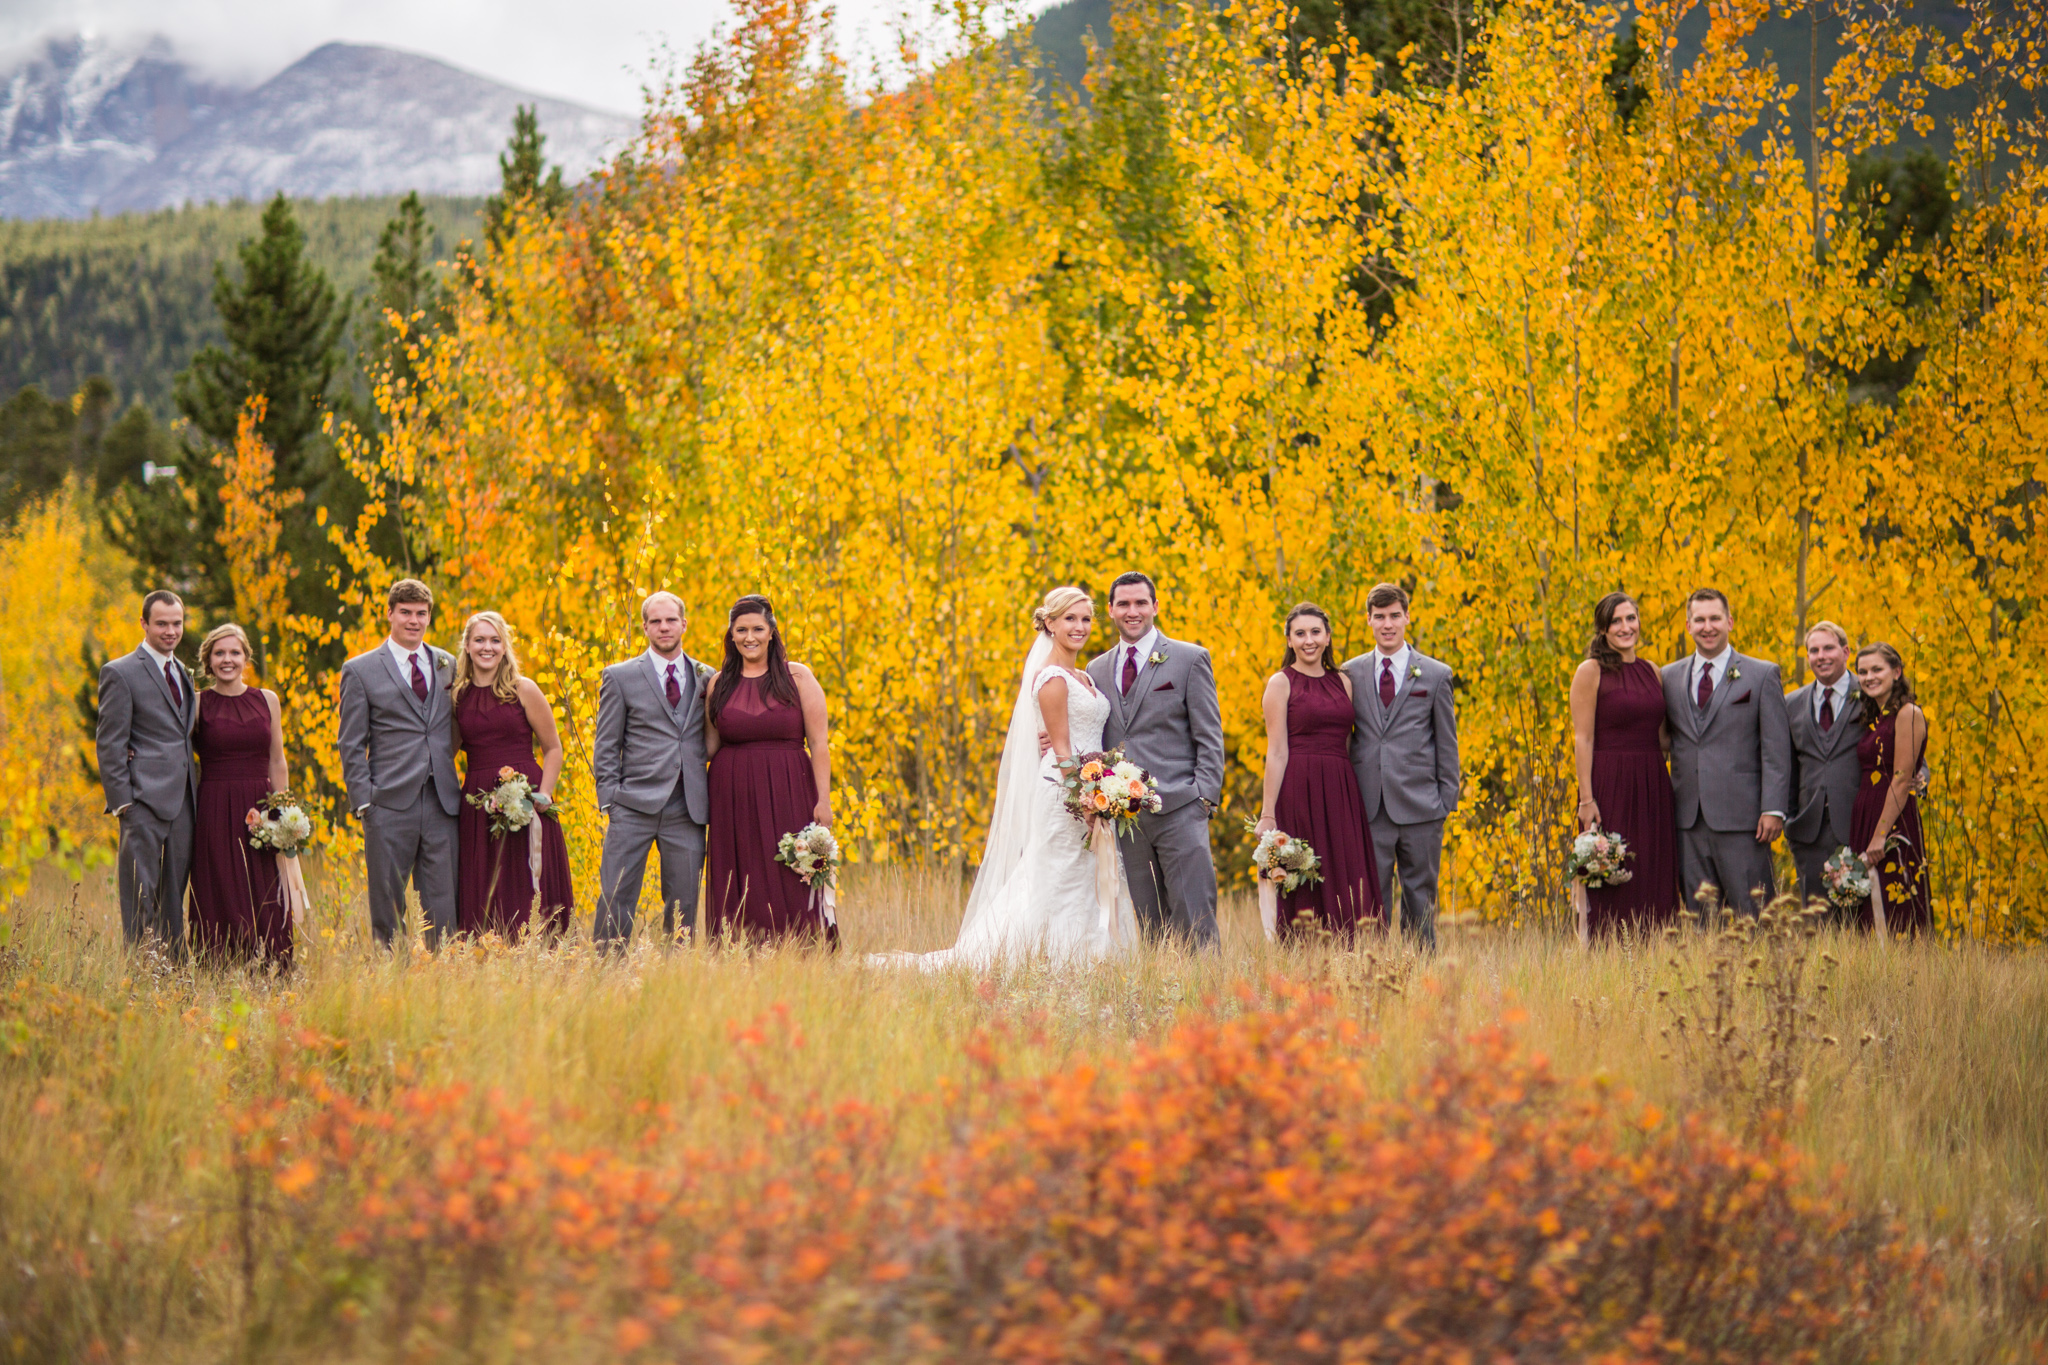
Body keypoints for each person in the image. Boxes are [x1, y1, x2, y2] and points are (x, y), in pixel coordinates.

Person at [886, 586, 1139, 968]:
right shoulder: (1052, 677)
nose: (1080, 626)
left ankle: (1098, 957)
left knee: (1088, 873)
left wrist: (1106, 786)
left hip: (1093, 786)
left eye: (1086, 619)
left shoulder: (1084, 677)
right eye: (1069, 618)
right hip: (1065, 792)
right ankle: (1053, 959)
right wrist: (1084, 801)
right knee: (1058, 874)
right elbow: (1062, 749)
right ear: (1049, 623)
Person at [1083, 572, 1224, 949]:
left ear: (1155, 606)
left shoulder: (1190, 659)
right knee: (1149, 927)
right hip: (1127, 819)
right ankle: (1160, 1000)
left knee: (1196, 918)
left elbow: (1209, 735)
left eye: (1141, 603)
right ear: (1111, 610)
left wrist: (1203, 800)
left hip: (1181, 808)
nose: (1133, 611)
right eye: (1124, 604)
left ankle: (1210, 1000)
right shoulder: (1095, 670)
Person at [703, 595, 836, 945]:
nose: (750, 637)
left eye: (758, 629)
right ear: (731, 635)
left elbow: (819, 745)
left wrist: (824, 800)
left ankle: (804, 952)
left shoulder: (799, 677)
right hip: (731, 797)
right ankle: (741, 956)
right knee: (741, 876)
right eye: (741, 629)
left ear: (772, 632)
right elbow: (708, 746)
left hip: (789, 790)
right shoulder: (719, 683)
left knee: (792, 872)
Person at [337, 579, 462, 948]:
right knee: (387, 906)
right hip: (387, 803)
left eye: (421, 613)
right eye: (405, 612)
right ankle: (390, 979)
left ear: (429, 616)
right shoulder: (359, 670)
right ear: (389, 614)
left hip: (441, 801)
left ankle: (443, 978)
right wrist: (365, 802)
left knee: (443, 904)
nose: (413, 620)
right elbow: (350, 742)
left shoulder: (447, 664)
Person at [1341, 582, 1460, 951]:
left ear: (1407, 617)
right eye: (1380, 617)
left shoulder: (1437, 674)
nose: (1388, 624)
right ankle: (1374, 972)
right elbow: (1345, 740)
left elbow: (1447, 743)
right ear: (1368, 621)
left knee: (1420, 899)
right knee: (1370, 901)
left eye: (1395, 615)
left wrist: (1445, 803)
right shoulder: (1350, 673)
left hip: (1422, 807)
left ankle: (1422, 974)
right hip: (1369, 806)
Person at [1659, 588, 1791, 917]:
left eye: (1715, 618)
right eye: (1699, 619)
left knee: (1754, 916)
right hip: (1687, 820)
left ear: (1729, 621)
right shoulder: (1668, 677)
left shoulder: (1762, 674)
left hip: (1744, 820)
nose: (1708, 626)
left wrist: (1774, 808)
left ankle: (1763, 972)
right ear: (1687, 626)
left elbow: (1776, 748)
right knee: (1700, 919)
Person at [1254, 604, 1381, 940]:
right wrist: (1268, 814)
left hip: (1342, 790)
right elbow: (1277, 751)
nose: (1308, 640)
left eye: (1315, 632)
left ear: (1327, 637)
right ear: (1289, 640)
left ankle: (1353, 955)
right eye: (1300, 633)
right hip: (1299, 787)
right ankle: (1305, 959)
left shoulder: (1343, 681)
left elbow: (1352, 744)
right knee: (1306, 874)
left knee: (1348, 872)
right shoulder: (1280, 683)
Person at [592, 591, 711, 947]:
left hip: (687, 808)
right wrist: (610, 800)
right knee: (616, 898)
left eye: (671, 620)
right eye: (656, 621)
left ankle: (676, 979)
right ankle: (606, 976)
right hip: (632, 806)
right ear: (644, 627)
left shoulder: (708, 677)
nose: (664, 627)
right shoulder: (620, 676)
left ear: (684, 624)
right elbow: (606, 744)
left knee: (684, 903)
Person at [451, 611, 573, 940]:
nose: (487, 647)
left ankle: (542, 960)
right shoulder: (456, 697)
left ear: (505, 647)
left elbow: (553, 748)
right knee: (485, 888)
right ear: (466, 646)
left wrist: (544, 796)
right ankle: (485, 964)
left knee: (530, 888)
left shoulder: (523, 690)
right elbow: (444, 754)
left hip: (529, 801)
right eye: (479, 640)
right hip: (478, 810)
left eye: (495, 640)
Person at [1568, 592, 1681, 937]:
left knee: (1653, 872)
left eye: (1630, 618)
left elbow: (1664, 738)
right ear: (1603, 629)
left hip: (1653, 786)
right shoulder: (1591, 671)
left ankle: (1657, 959)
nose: (1625, 626)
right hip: (1610, 784)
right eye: (1616, 621)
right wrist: (1587, 800)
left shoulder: (1653, 672)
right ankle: (1607, 964)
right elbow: (1582, 738)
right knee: (1611, 875)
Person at [95, 589, 198, 955]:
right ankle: (141, 977)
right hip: (142, 803)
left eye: (177, 623)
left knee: (175, 895)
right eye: (161, 624)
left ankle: (173, 975)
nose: (170, 631)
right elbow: (109, 744)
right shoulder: (120, 672)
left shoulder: (183, 673)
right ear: (143, 623)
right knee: (141, 895)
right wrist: (123, 804)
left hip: (184, 803)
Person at [187, 624, 293, 965]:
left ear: (246, 658)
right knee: (220, 886)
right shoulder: (197, 703)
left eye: (234, 652)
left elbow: (277, 759)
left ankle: (271, 967)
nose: (227, 659)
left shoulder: (268, 700)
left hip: (260, 810)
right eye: (219, 653)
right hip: (214, 808)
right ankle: (219, 967)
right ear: (208, 660)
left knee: (266, 889)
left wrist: (284, 815)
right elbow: (171, 750)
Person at [1848, 642, 1932, 935]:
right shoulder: (1876, 716)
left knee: (1896, 908)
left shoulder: (1908, 712)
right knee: (1869, 909)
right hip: (1867, 816)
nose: (1869, 676)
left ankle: (1905, 979)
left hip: (1892, 821)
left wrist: (1880, 836)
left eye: (1876, 669)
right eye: (1862, 671)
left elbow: (1900, 778)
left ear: (1896, 672)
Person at [1785, 621, 1863, 910]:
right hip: (1808, 831)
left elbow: (1902, 744)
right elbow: (1784, 765)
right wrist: (1788, 818)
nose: (1821, 656)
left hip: (1859, 827)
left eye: (1829, 648)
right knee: (1816, 926)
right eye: (1814, 650)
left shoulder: (1870, 696)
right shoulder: (1791, 703)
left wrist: (1920, 776)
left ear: (1846, 652)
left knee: (1860, 926)